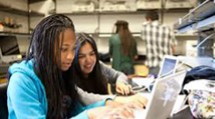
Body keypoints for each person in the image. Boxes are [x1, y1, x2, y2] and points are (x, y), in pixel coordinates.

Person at [7, 14, 142, 119]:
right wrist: (91, 115)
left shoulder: (58, 71)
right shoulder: (22, 81)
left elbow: (76, 110)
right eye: (63, 49)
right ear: (44, 48)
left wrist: (109, 105)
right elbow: (86, 114)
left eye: (73, 49)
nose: (71, 56)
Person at [73, 32, 147, 107]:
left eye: (92, 54)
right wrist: (119, 99)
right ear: (73, 57)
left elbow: (118, 75)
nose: (88, 60)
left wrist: (121, 83)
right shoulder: (68, 74)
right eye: (81, 56)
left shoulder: (98, 66)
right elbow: (84, 98)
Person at [141, 10, 177, 76]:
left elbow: (143, 37)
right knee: (168, 85)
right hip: (167, 65)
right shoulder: (167, 28)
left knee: (154, 85)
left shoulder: (145, 28)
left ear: (148, 19)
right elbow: (173, 48)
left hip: (154, 64)